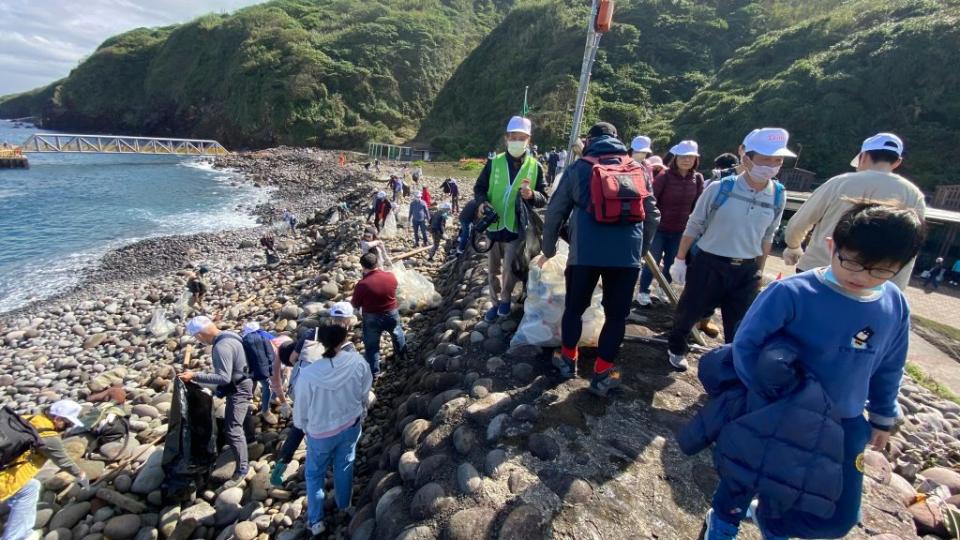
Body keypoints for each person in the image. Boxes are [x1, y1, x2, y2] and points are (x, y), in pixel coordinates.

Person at [698, 202, 924, 540]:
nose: (862, 278)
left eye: (880, 271)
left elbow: (890, 364)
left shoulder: (894, 303)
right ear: (832, 245)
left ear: (900, 268)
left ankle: (772, 523)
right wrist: (763, 395)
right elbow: (746, 346)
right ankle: (723, 522)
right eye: (853, 263)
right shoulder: (791, 293)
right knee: (745, 476)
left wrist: (882, 415)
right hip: (776, 410)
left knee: (838, 516)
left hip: (844, 421)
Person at [540, 122, 660, 397]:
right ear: (618, 139)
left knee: (575, 308)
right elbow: (653, 215)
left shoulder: (578, 168)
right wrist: (639, 253)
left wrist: (548, 251)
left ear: (589, 141)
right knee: (617, 316)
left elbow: (554, 213)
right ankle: (602, 374)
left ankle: (568, 361)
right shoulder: (637, 168)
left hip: (585, 254)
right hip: (626, 257)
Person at [667, 128, 793, 371]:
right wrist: (680, 259)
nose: (771, 165)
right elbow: (694, 224)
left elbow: (768, 235)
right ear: (747, 158)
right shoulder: (720, 188)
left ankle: (732, 365)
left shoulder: (778, 195)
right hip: (709, 263)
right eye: (765, 159)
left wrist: (759, 270)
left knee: (740, 324)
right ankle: (676, 348)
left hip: (745, 269)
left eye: (777, 160)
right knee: (689, 311)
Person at [783, 133, 926, 291]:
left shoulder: (840, 182)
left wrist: (793, 246)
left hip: (819, 271)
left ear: (863, 156)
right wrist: (896, 288)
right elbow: (910, 245)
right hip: (872, 282)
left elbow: (800, 222)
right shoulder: (913, 194)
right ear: (897, 162)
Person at [295, 320, 372, 536]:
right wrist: (359, 405)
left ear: (321, 343)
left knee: (314, 474)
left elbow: (301, 408)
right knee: (345, 464)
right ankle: (344, 505)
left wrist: (303, 426)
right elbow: (366, 389)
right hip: (350, 424)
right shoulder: (357, 362)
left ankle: (316, 520)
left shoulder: (309, 375)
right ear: (344, 340)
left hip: (320, 433)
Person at [271, 303, 356, 486]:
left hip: (304, 390)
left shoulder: (313, 333)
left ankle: (281, 465)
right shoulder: (347, 345)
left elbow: (293, 359)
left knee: (300, 426)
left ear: (331, 318)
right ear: (349, 321)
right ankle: (330, 467)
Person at [473, 116, 549, 322]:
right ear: (506, 138)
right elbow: (479, 188)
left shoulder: (536, 167)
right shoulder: (494, 163)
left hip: (518, 227)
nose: (517, 141)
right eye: (513, 137)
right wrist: (481, 203)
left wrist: (532, 195)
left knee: (509, 267)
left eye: (521, 138)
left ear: (529, 141)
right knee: (492, 269)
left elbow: (544, 197)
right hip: (494, 224)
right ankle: (495, 302)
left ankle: (506, 299)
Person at [178, 316, 252, 488]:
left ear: (200, 334)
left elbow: (223, 378)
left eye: (196, 337)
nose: (198, 340)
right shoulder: (230, 335)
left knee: (232, 429)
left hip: (238, 388)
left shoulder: (221, 346)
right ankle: (250, 440)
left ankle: (242, 468)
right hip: (245, 380)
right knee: (239, 416)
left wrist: (194, 375)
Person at [0, 401, 89, 540]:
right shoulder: (48, 436)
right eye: (68, 423)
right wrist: (81, 475)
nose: (68, 428)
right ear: (58, 419)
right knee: (28, 490)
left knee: (31, 486)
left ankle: (22, 533)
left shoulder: (26, 418)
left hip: (5, 468)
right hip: (3, 479)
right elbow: (63, 461)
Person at [637, 141, 704, 307]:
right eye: (682, 157)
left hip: (681, 230)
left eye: (690, 157)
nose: (686, 160)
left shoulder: (697, 179)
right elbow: (651, 200)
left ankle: (663, 289)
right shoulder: (664, 177)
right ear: (676, 158)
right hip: (659, 229)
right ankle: (643, 291)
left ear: (695, 159)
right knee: (653, 261)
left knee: (671, 263)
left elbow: (698, 205)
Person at [351, 253, 407, 377]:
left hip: (372, 318)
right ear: (377, 263)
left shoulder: (362, 284)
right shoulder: (390, 276)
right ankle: (402, 357)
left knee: (372, 346)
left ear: (363, 267)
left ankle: (374, 372)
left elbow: (355, 304)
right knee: (397, 333)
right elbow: (395, 288)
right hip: (391, 312)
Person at [242, 321, 277, 417]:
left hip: (250, 369)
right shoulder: (263, 336)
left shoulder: (243, 340)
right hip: (263, 369)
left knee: (251, 384)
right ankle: (265, 410)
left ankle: (247, 402)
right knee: (266, 387)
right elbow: (270, 353)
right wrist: (271, 366)